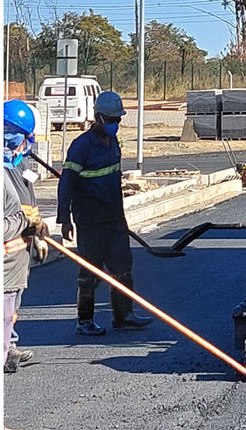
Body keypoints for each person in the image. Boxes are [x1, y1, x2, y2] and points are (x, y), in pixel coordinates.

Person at [57, 91, 152, 336]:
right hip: (90, 221)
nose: (114, 125)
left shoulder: (113, 144)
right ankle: (84, 321)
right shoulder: (81, 146)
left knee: (123, 267)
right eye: (110, 120)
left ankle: (123, 316)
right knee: (90, 270)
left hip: (114, 218)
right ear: (97, 117)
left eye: (117, 120)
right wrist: (64, 218)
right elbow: (66, 182)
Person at [3, 100, 47, 373]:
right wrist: (25, 222)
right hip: (8, 248)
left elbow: (29, 201)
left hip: (22, 247)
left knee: (13, 303)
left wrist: (39, 232)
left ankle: (10, 345)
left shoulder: (22, 165)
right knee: (6, 305)